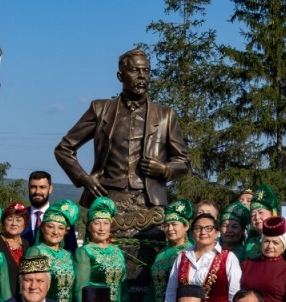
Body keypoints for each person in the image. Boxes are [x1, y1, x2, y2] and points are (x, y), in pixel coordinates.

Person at [54, 48, 191, 209]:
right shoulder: (100, 110)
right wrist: (84, 178)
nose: (141, 76)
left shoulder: (165, 115)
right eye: (134, 70)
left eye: (146, 71)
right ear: (120, 76)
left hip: (149, 202)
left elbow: (183, 162)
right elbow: (64, 149)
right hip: (106, 200)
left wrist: (165, 169)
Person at [163, 211, 242, 302]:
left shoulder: (228, 257)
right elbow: (172, 290)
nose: (203, 232)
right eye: (198, 228)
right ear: (192, 232)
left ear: (216, 232)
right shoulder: (183, 256)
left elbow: (234, 292)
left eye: (208, 228)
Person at [73, 196, 127, 302]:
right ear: (89, 226)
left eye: (106, 223)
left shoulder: (117, 251)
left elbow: (123, 288)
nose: (102, 228)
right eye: (97, 223)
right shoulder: (84, 252)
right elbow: (81, 288)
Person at [240, 216, 286, 302]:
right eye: (266, 241)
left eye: (275, 242)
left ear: (283, 246)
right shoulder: (247, 264)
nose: (270, 246)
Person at [26, 199, 79, 302]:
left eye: (60, 228)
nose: (55, 232)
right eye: (50, 227)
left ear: (66, 231)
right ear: (42, 228)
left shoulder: (68, 255)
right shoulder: (36, 252)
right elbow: (29, 288)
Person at [150, 200, 194, 302]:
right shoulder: (162, 252)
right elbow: (153, 283)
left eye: (174, 224)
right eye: (166, 225)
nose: (170, 229)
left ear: (186, 226)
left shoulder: (190, 252)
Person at [20, 171, 79, 252]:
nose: (37, 191)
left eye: (42, 187)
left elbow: (72, 249)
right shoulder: (19, 216)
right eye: (33, 187)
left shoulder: (64, 217)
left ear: (50, 189)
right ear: (28, 188)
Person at [243, 185, 286, 263]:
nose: (257, 217)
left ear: (272, 214)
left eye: (261, 212)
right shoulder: (250, 240)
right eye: (253, 215)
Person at [0, 201, 28, 298]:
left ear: (25, 224)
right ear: (3, 223)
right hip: (1, 297)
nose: (14, 223)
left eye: (18, 220)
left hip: (24, 298)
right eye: (10, 219)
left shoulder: (27, 244)